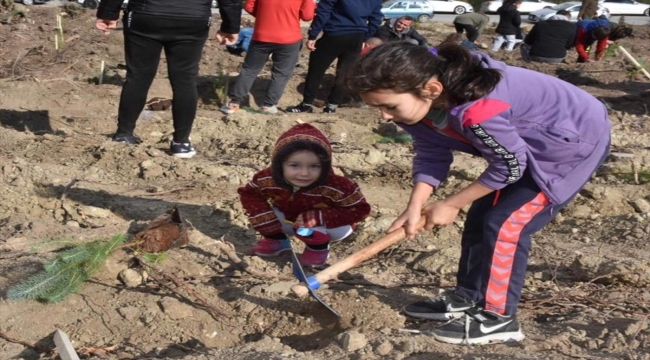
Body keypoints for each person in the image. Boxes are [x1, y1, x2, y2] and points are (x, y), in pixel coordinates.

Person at [347, 42, 611, 345]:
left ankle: (498, 317)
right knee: (481, 217)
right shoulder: (421, 103)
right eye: (376, 107)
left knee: (505, 224)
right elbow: (432, 151)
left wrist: (451, 203)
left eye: (389, 106)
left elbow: (509, 167)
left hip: (570, 143)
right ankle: (468, 297)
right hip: (521, 145)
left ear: (431, 89)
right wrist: (415, 204)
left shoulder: (477, 108)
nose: (383, 117)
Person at [95, 0, 243, 158]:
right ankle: (181, 143)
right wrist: (230, 25)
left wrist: (108, 13)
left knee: (138, 77)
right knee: (185, 81)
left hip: (145, 15)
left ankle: (124, 134)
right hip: (192, 18)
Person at [238, 123, 371, 267]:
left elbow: (360, 210)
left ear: (325, 166)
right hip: (289, 219)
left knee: (306, 230)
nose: (304, 173)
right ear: (279, 164)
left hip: (330, 225)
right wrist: (264, 218)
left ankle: (317, 249)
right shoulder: (268, 178)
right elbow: (249, 194)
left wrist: (320, 217)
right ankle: (277, 240)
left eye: (314, 166)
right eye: (294, 165)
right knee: (265, 217)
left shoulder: (338, 186)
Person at [285, 0, 383, 114]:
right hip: (356, 37)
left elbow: (323, 12)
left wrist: (313, 35)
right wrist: (365, 37)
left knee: (316, 70)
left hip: (335, 33)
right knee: (344, 73)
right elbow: (376, 19)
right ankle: (332, 106)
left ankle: (306, 104)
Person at [220, 0, 315, 115]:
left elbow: (249, 6)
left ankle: (234, 103)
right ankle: (268, 106)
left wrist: (264, 15)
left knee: (250, 70)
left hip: (262, 36)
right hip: (289, 38)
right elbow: (307, 16)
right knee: (281, 73)